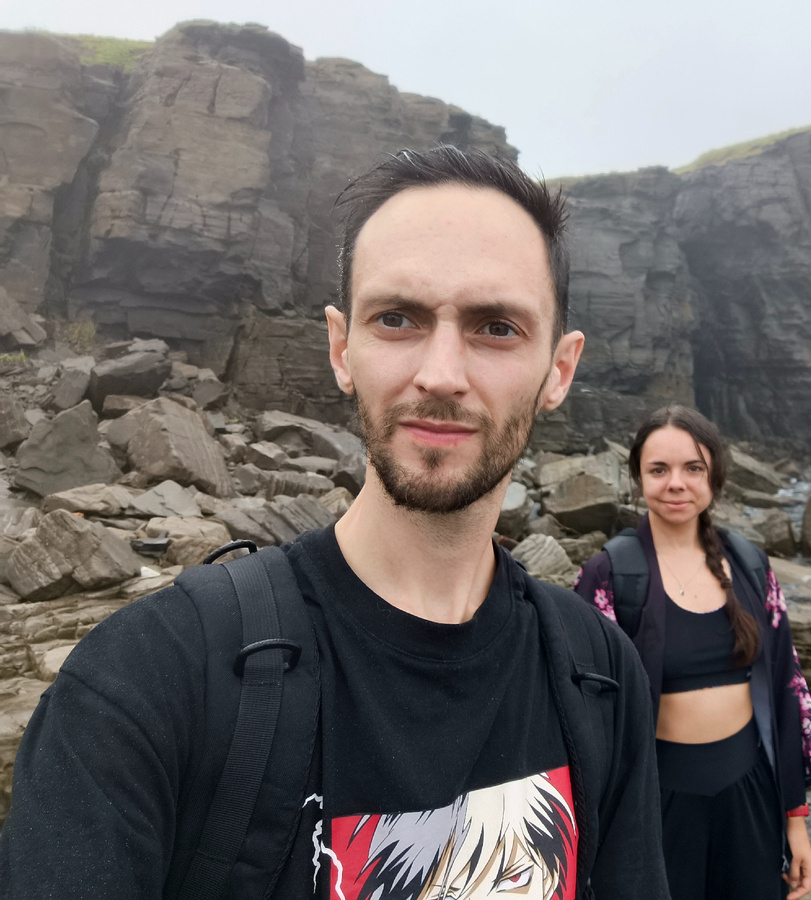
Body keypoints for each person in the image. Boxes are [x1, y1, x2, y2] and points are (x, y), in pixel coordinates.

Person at [0, 147, 670, 900]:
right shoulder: (147, 682)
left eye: (495, 327)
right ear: (340, 347)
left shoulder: (601, 674)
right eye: (397, 318)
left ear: (560, 368)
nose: (441, 374)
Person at [573, 405, 811, 900]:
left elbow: (788, 689)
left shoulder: (751, 565)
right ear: (638, 478)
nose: (676, 483)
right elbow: (583, 712)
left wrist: (795, 823)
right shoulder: (610, 574)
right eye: (658, 469)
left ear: (714, 476)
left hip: (750, 793)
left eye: (693, 468)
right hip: (656, 804)